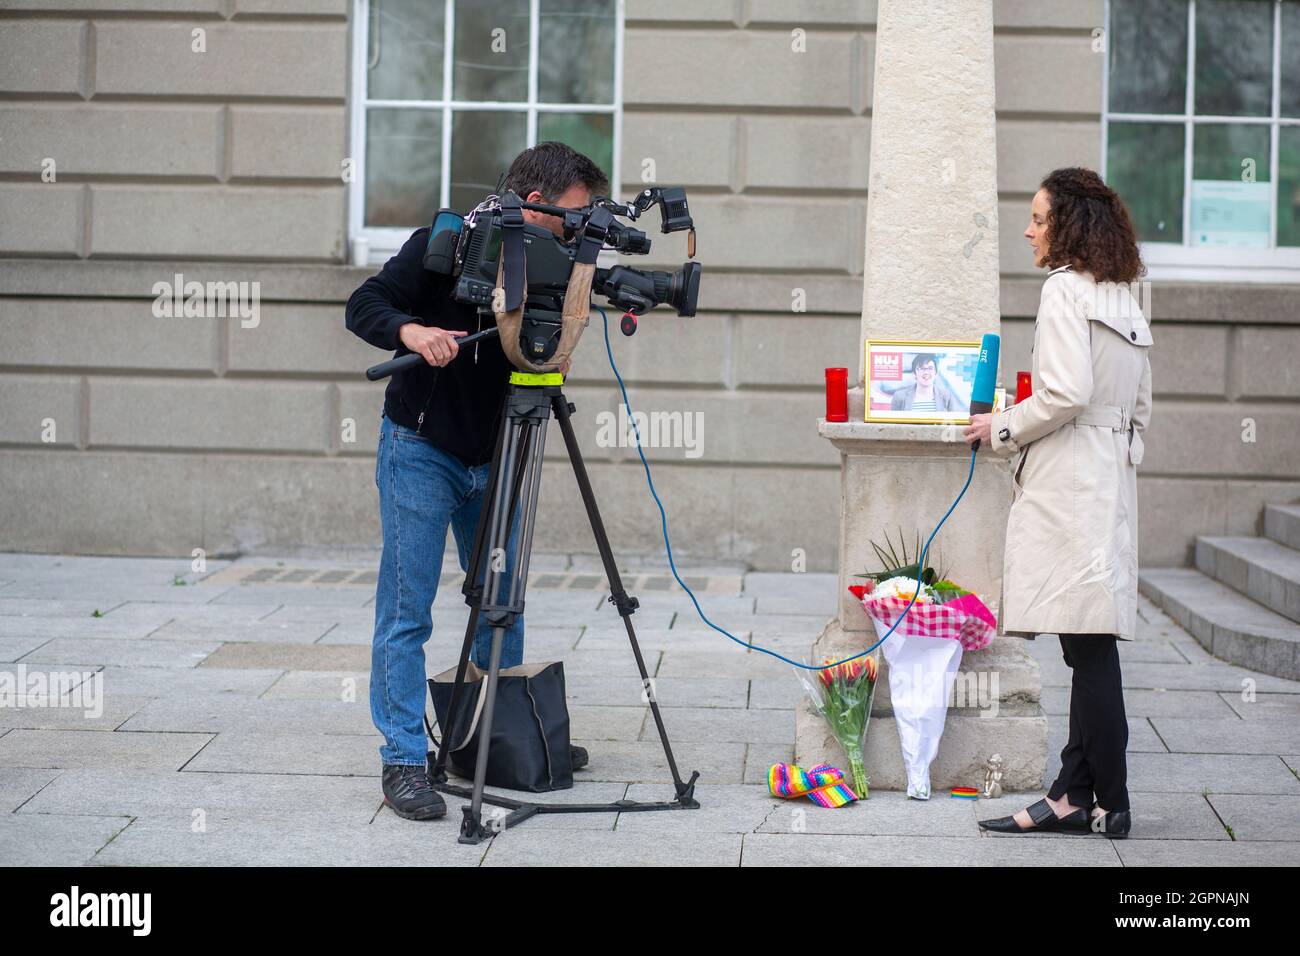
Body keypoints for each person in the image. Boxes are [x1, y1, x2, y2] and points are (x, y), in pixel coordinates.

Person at [345, 142, 608, 821]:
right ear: (532, 201)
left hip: (501, 451)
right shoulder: (449, 244)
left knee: (502, 601)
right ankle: (404, 759)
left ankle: (498, 736)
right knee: (408, 611)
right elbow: (364, 303)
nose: (581, 229)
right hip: (422, 450)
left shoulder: (567, 265)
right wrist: (410, 330)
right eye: (572, 215)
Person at [964, 167, 1153, 839]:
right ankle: (1075, 792)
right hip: (1105, 479)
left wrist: (1003, 426)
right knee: (1088, 642)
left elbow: (1066, 391)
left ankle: (1110, 799)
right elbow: (1140, 407)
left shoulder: (1065, 292)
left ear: (1067, 225)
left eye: (1039, 219)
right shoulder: (1124, 295)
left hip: (1070, 479)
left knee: (1089, 648)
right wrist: (1114, 462)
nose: (1028, 230)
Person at [889, 353, 964, 412]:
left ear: (936, 373)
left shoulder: (947, 396)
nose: (926, 372)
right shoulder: (899, 396)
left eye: (930, 368)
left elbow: (952, 425)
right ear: (914, 373)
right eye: (921, 368)